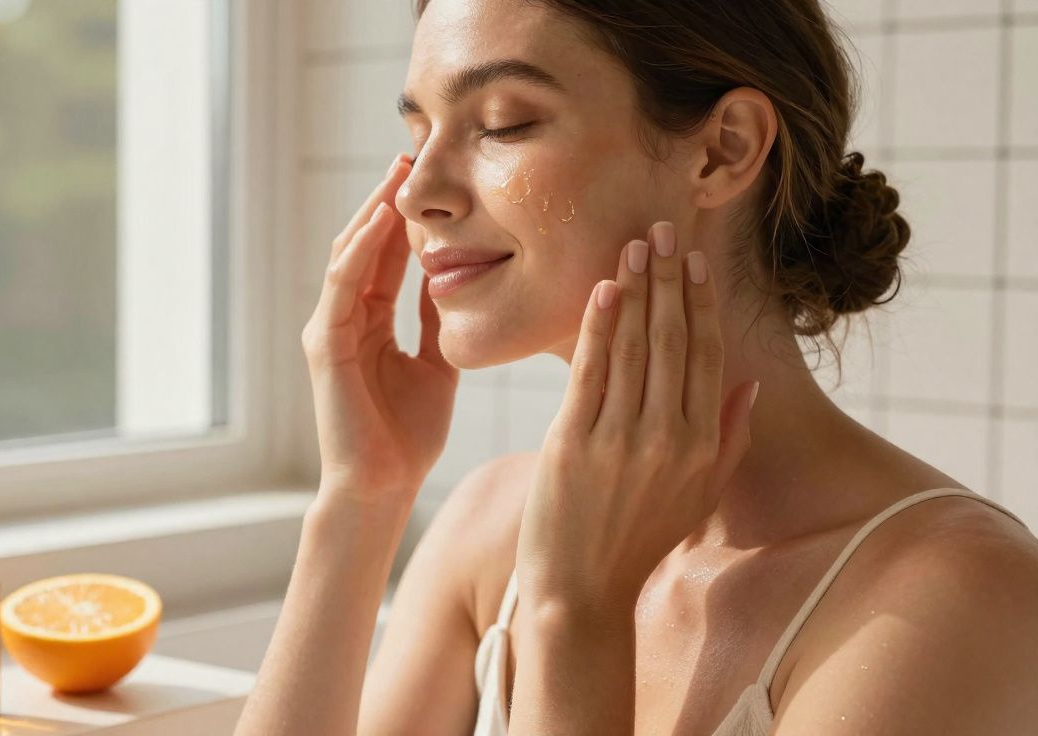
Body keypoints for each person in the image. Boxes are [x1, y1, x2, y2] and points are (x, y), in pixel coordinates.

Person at [235, 0, 1038, 733]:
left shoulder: (957, 597)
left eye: (505, 124)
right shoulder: (488, 530)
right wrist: (362, 495)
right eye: (418, 136)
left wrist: (574, 613)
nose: (418, 194)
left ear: (722, 151)